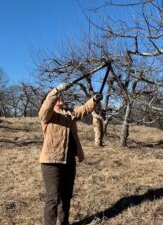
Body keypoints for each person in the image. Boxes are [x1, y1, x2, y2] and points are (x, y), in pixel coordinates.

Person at [38, 82, 103, 225]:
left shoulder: (69, 115)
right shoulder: (47, 116)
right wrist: (55, 90)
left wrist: (94, 100)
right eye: (57, 97)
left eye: (60, 96)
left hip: (69, 160)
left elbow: (84, 109)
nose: (60, 97)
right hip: (51, 162)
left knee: (66, 196)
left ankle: (64, 223)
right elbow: (46, 108)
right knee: (53, 198)